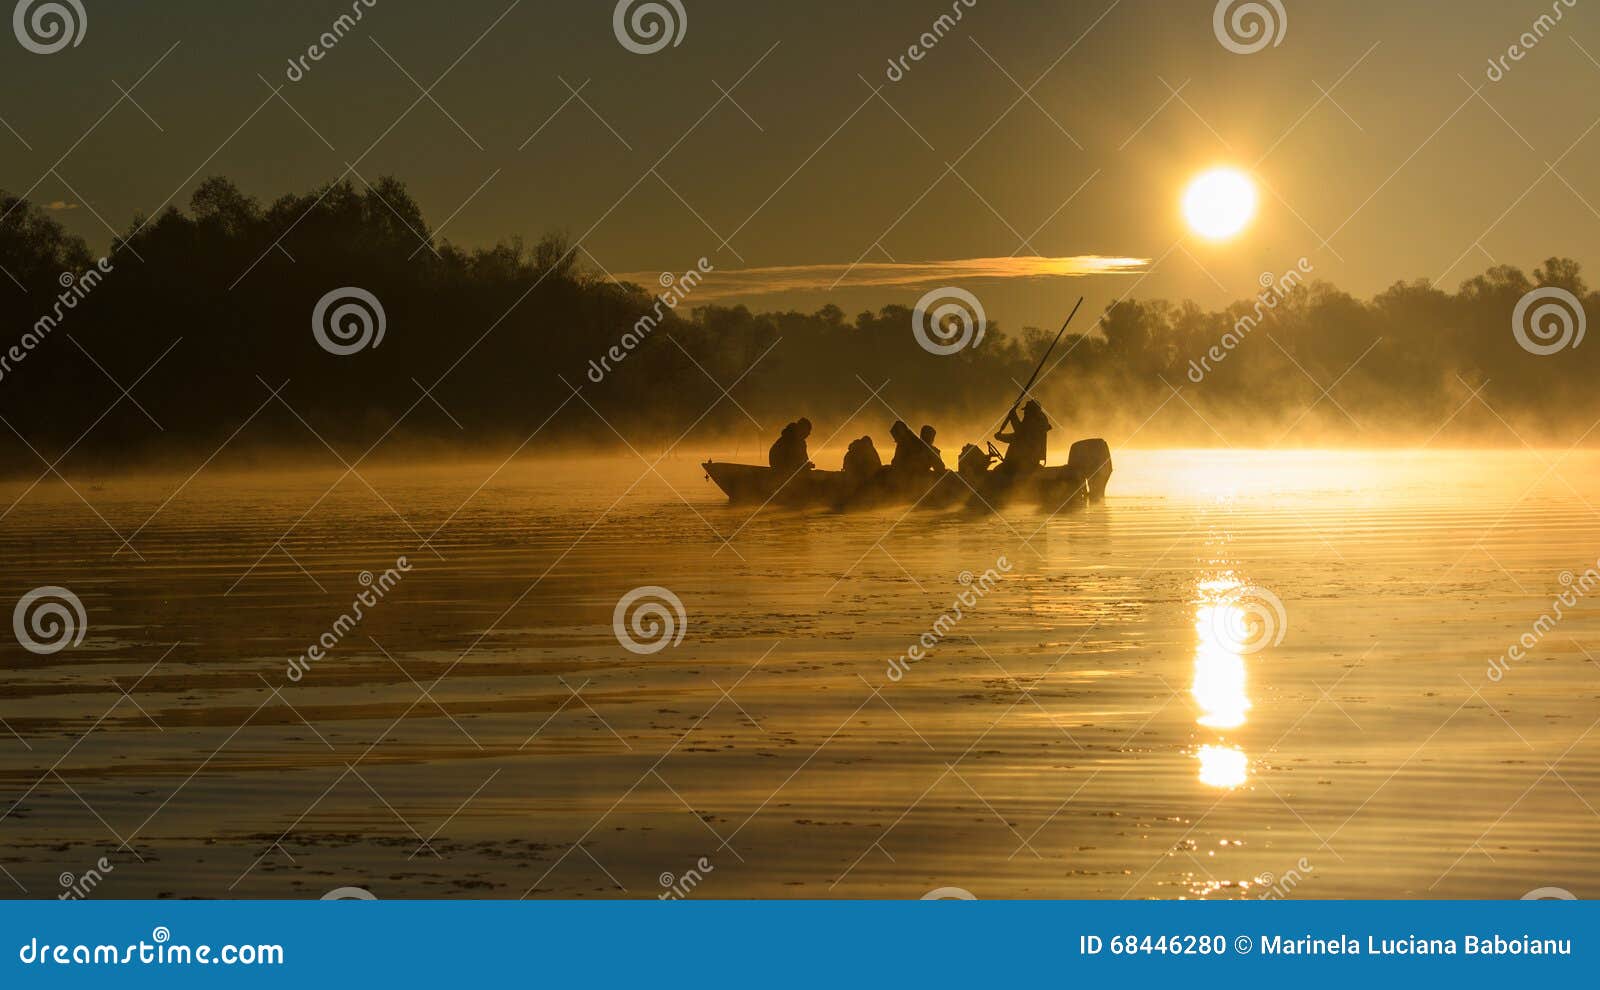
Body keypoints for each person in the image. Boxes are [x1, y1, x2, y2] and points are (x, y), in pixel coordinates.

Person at [994, 400, 1051, 476]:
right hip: (1025, 461)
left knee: (999, 474)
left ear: (1031, 411)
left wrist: (1013, 416)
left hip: (1024, 461)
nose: (1025, 413)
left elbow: (1019, 434)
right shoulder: (1037, 423)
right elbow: (1017, 436)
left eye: (1026, 411)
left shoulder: (1034, 425)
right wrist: (1000, 437)